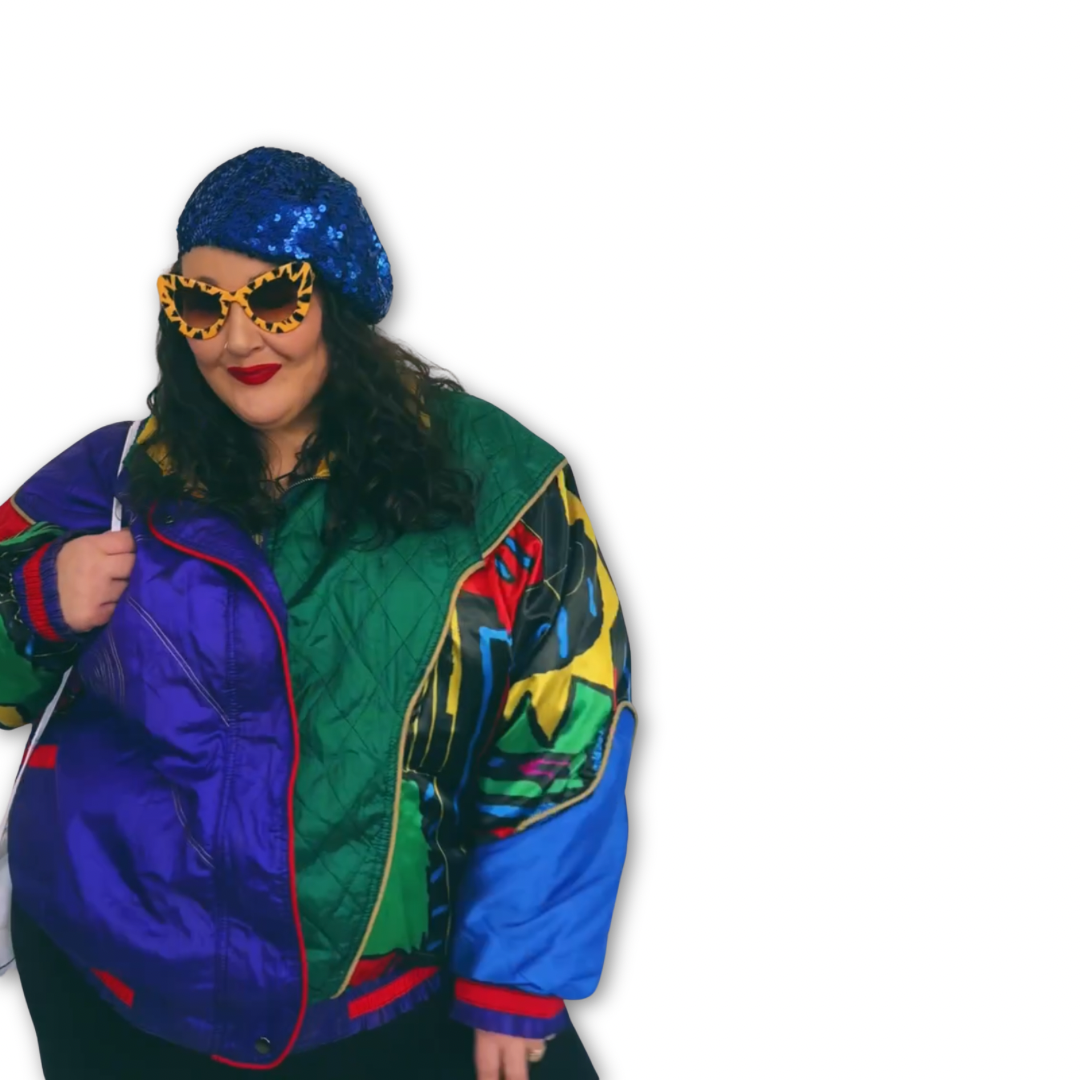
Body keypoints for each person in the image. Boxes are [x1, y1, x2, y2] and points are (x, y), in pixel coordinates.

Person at [0, 147, 635, 1080]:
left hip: (387, 999)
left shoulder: (497, 485)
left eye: (273, 300)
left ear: (336, 299)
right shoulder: (120, 473)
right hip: (121, 982)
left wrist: (515, 980)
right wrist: (37, 602)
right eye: (202, 306)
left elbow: (568, 730)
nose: (236, 339)